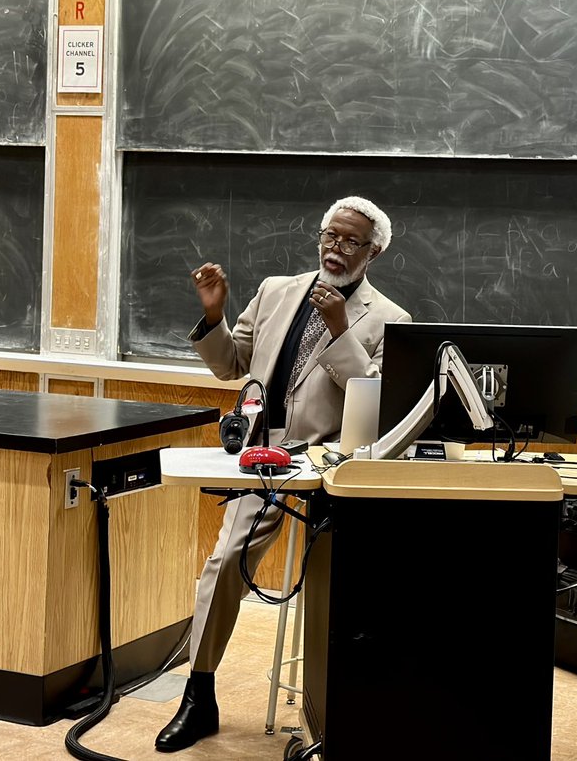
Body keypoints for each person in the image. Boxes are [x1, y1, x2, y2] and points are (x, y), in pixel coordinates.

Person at [155, 196, 410, 753]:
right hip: (266, 458)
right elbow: (231, 365)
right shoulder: (275, 291)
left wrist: (340, 329)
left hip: (335, 468)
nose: (334, 249)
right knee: (223, 563)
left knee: (348, 589)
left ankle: (340, 702)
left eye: (349, 241)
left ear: (375, 252)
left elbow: (377, 395)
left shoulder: (390, 319)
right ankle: (198, 696)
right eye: (329, 235)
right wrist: (215, 315)